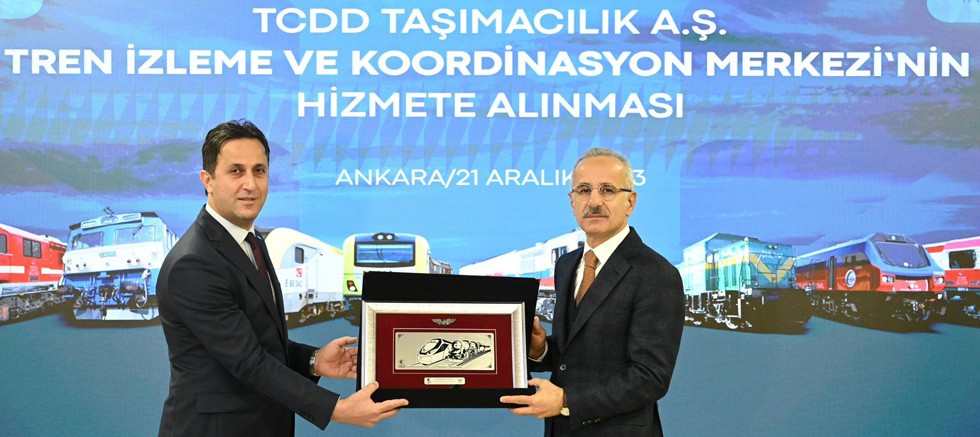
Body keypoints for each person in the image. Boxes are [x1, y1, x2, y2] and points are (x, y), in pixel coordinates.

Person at [158, 119, 408, 436]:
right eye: (236, 171)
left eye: (259, 171)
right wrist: (339, 409)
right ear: (208, 180)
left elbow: (262, 342)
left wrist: (314, 360)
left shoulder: (252, 242)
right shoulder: (194, 263)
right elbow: (248, 361)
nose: (250, 184)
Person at [501, 147, 684, 436]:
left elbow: (650, 377)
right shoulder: (566, 265)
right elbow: (574, 354)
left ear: (630, 202)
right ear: (572, 201)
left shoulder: (657, 274)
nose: (594, 201)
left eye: (607, 190)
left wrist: (566, 401)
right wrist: (541, 349)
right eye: (584, 190)